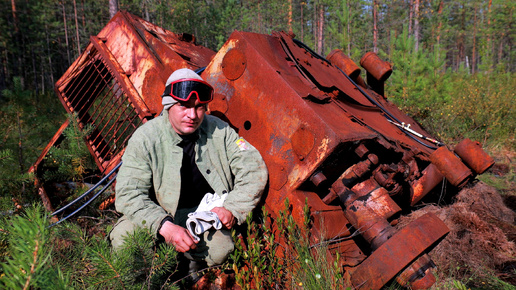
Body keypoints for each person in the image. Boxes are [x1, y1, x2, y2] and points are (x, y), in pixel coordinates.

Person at [109, 68, 268, 271]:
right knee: (125, 241)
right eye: (184, 106)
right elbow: (128, 194)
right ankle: (147, 276)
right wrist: (165, 227)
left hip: (203, 217)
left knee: (221, 249)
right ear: (168, 106)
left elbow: (253, 168)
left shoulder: (220, 131)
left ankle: (192, 270)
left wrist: (232, 208)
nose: (192, 115)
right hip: (158, 215)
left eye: (199, 107)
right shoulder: (145, 138)